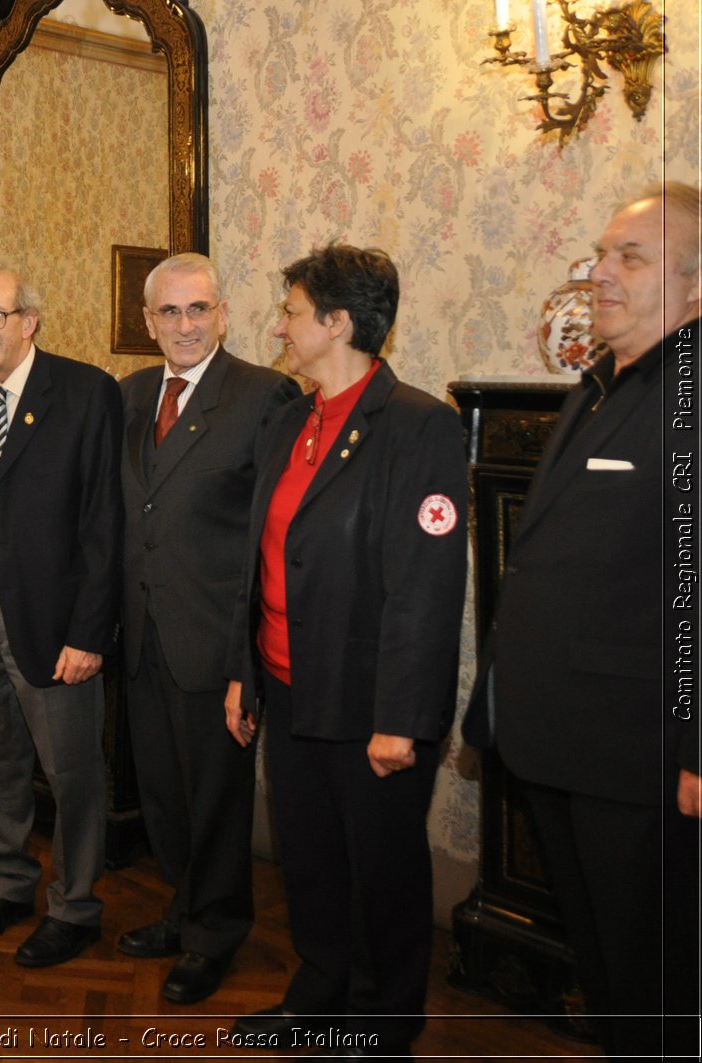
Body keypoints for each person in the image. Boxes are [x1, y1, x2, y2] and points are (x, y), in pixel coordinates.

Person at [465, 184, 701, 1059]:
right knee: (608, 970)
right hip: (562, 738)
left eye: (630, 258)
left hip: (644, 753)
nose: (600, 273)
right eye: (603, 254)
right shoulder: (604, 381)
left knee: (663, 978)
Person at [224, 245, 468, 1054]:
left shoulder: (420, 426)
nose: (281, 325)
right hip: (289, 687)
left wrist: (400, 717)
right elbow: (258, 557)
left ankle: (383, 1019)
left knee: (384, 872)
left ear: (338, 323)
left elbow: (425, 586)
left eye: (292, 311)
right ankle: (318, 992)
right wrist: (244, 673)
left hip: (371, 700)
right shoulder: (290, 417)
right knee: (311, 860)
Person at [117, 254, 299, 1002]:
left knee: (217, 798)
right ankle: (182, 905)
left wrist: (243, 660)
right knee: (162, 792)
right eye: (169, 312)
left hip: (215, 639)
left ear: (223, 314)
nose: (185, 325)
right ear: (149, 321)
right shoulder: (127, 396)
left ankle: (215, 932)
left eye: (198, 310)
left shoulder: (265, 396)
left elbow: (271, 540)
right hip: (141, 634)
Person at [0, 269, 122, 968]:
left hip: (56, 626)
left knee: (74, 773)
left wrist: (89, 632)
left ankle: (75, 905)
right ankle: (10, 883)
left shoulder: (83, 393)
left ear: (30, 320)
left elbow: (103, 522)